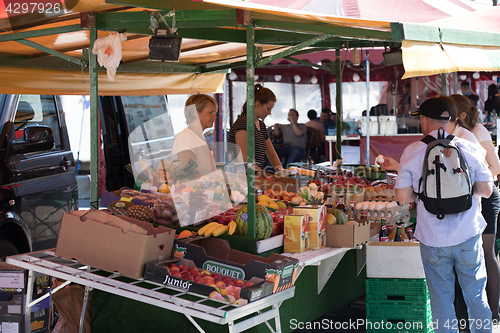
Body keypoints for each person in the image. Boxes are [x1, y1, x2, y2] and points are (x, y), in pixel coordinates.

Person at [391, 96, 493, 333]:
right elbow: (486, 191)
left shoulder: (413, 151)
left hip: (432, 238)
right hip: (468, 234)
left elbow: (403, 197)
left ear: (425, 120)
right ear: (450, 121)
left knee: (441, 299)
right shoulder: (469, 146)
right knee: (476, 296)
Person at [452, 93, 500, 321]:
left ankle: (493, 311)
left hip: (487, 196)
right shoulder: (457, 133)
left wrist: (471, 183)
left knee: (487, 253)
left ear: (461, 115)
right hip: (470, 196)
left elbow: (495, 166)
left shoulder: (477, 131)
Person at [228, 84, 284, 172]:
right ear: (257, 104)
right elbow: (244, 159)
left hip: (254, 177)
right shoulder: (243, 123)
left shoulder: (261, 125)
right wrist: (264, 176)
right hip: (240, 178)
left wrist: (281, 171)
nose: (269, 113)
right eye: (268, 109)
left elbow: (272, 154)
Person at [171, 93, 217, 177]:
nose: (214, 116)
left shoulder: (196, 136)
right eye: (210, 112)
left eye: (214, 112)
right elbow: (185, 175)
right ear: (196, 113)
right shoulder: (187, 138)